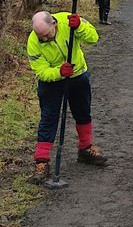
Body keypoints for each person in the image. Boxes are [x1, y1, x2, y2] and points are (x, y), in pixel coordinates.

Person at [26, 10, 106, 184]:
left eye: (46, 35)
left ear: (54, 24)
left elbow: (93, 38)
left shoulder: (68, 21)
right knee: (48, 118)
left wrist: (79, 27)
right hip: (52, 82)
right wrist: (59, 72)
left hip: (78, 75)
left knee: (83, 112)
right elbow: (41, 71)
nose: (44, 39)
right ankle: (41, 161)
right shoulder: (33, 41)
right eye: (41, 37)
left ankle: (85, 149)